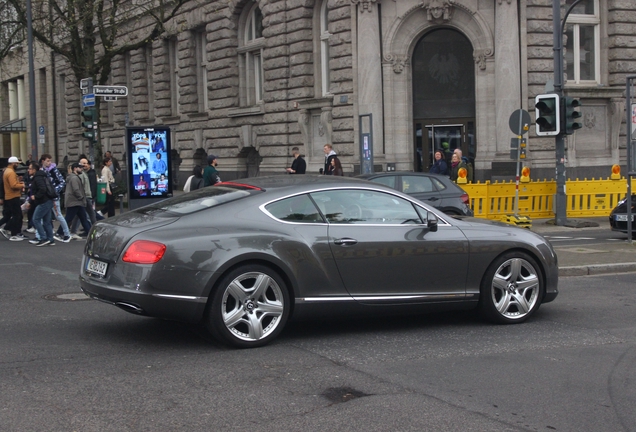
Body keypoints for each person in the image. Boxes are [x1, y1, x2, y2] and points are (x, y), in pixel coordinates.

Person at [40, 154, 71, 242]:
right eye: (47, 161)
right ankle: (44, 234)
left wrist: (55, 191)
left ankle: (67, 234)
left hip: (53, 197)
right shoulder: (42, 171)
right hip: (45, 197)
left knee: (58, 215)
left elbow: (62, 182)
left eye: (50, 161)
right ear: (43, 161)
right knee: (44, 216)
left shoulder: (54, 170)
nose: (49, 163)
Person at [28, 162, 56, 246]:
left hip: (43, 201)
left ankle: (43, 238)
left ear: (34, 169)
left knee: (36, 219)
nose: (28, 170)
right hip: (48, 200)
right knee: (47, 221)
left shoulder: (38, 178)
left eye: (29, 168)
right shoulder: (43, 175)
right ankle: (50, 239)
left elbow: (42, 189)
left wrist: (35, 196)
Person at [61, 162, 92, 238]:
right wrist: (81, 197)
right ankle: (60, 232)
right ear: (75, 168)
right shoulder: (74, 178)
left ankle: (89, 233)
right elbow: (76, 190)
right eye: (80, 168)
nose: (82, 169)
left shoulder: (73, 177)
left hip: (76, 201)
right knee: (69, 218)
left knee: (83, 218)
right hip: (75, 201)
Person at [1, 156, 26, 241]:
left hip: (8, 196)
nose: (17, 165)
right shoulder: (11, 172)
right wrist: (22, 185)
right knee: (17, 215)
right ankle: (13, 233)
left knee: (12, 215)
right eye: (16, 164)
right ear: (13, 163)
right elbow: (13, 185)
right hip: (13, 196)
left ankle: (10, 230)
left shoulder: (6, 171)